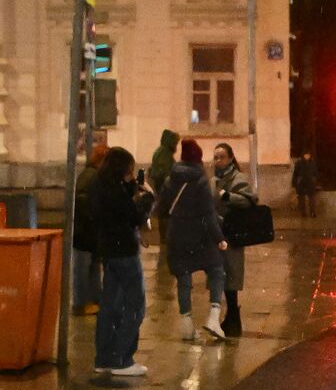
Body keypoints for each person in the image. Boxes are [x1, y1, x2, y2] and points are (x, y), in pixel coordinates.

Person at [89, 147, 156, 376]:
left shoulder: (100, 186)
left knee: (110, 305)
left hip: (108, 251)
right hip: (125, 253)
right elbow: (136, 216)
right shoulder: (113, 191)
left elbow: (116, 208)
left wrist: (129, 189)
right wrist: (148, 198)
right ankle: (122, 359)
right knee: (136, 305)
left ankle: (104, 358)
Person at [157, 140, 227, 341]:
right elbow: (208, 215)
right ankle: (213, 317)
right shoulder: (201, 181)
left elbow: (161, 210)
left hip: (176, 236)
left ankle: (186, 325)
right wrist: (220, 239)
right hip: (200, 238)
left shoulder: (171, 179)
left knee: (183, 277)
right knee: (216, 270)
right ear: (198, 158)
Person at [212, 143, 257, 337]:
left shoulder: (238, 178)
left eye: (221, 157)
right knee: (221, 276)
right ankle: (231, 318)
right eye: (215, 157)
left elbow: (249, 200)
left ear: (230, 158)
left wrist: (227, 196)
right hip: (218, 233)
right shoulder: (214, 179)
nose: (218, 161)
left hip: (233, 234)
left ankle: (233, 317)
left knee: (231, 275)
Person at [72, 144, 108, 316]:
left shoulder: (93, 175)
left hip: (89, 232)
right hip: (84, 232)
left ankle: (94, 300)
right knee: (84, 268)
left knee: (93, 266)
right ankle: (82, 303)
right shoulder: (91, 176)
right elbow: (82, 201)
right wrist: (95, 215)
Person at [150, 129, 179, 267]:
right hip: (165, 190)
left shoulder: (160, 152)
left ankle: (165, 240)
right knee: (166, 215)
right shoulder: (164, 153)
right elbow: (166, 172)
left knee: (164, 215)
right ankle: (165, 241)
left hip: (162, 189)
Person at [292, 151, 319, 218]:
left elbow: (316, 173)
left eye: (308, 155)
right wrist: (294, 183)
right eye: (305, 155)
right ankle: (303, 213)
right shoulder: (299, 163)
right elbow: (295, 174)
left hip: (310, 183)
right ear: (303, 155)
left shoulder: (312, 163)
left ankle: (313, 212)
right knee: (301, 199)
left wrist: (316, 181)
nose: (307, 156)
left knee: (312, 199)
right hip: (302, 183)